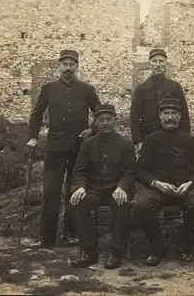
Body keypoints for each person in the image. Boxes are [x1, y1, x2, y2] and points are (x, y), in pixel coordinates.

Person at [27, 49, 101, 248]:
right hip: (55, 147)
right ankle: (46, 237)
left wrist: (91, 130)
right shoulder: (48, 89)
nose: (68, 68)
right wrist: (33, 138)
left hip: (79, 148)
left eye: (72, 64)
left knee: (74, 190)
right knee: (51, 191)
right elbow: (36, 114)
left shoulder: (86, 89)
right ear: (59, 65)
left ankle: (70, 233)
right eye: (65, 64)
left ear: (77, 66)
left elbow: (100, 114)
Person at [133, 98, 194, 266]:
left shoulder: (189, 140)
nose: (170, 118)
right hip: (158, 189)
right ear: (160, 116)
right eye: (166, 114)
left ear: (180, 116)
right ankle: (157, 247)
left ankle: (184, 245)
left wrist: (189, 184)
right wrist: (156, 183)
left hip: (185, 189)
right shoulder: (151, 140)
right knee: (141, 206)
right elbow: (140, 171)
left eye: (174, 114)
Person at [68, 104, 135, 269]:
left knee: (122, 205)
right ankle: (89, 251)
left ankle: (115, 252)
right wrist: (80, 188)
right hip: (94, 190)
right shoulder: (87, 144)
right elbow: (79, 172)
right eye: (101, 120)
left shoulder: (125, 144)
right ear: (95, 122)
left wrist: (122, 187)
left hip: (115, 190)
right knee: (77, 203)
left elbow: (130, 172)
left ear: (115, 121)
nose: (105, 123)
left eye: (109, 119)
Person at [130, 48, 190, 154]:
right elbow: (134, 117)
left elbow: (184, 114)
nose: (158, 64)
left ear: (165, 64)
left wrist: (186, 139)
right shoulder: (141, 89)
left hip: (173, 137)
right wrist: (138, 141)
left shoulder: (175, 87)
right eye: (155, 61)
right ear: (150, 64)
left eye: (161, 61)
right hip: (148, 137)